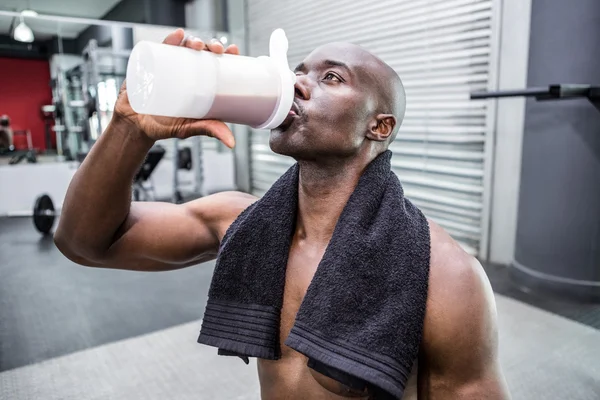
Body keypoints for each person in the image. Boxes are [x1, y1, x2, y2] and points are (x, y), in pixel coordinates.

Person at [55, 29, 510, 400]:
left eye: (331, 78)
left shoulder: (445, 274)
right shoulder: (240, 221)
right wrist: (129, 127)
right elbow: (84, 242)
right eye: (298, 71)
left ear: (379, 125)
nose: (296, 83)